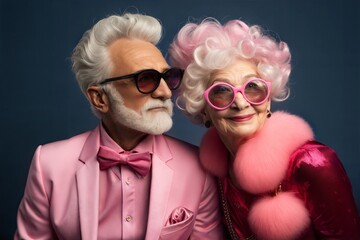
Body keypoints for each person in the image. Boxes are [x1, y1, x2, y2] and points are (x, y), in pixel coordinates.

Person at [15, 13, 223, 240]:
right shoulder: (48, 165)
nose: (165, 92)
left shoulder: (199, 168)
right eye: (144, 79)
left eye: (168, 77)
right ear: (100, 98)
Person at [169, 18, 360, 239]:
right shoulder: (213, 174)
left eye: (252, 87)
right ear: (204, 110)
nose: (240, 103)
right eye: (221, 91)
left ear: (268, 99)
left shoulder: (313, 163)